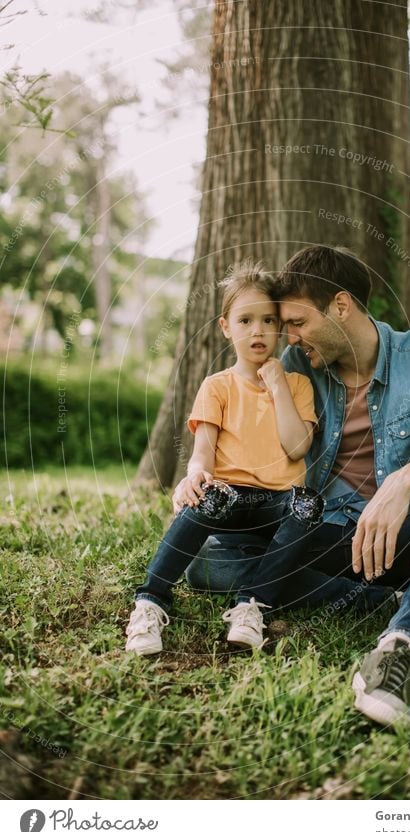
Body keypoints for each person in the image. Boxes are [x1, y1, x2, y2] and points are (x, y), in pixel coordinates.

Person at [186, 245, 410, 725]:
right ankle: (401, 596)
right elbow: (238, 414)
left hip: (400, 536)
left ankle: (402, 642)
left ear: (341, 306)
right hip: (325, 535)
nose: (287, 338)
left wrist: (402, 483)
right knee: (207, 561)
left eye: (296, 322)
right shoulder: (294, 368)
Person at [125, 259, 394, 658]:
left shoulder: (298, 383)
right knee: (207, 497)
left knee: (307, 503)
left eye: (269, 321)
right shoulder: (216, 387)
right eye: (246, 320)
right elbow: (202, 455)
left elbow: (297, 447)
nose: (258, 331)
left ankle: (251, 605)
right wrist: (194, 477)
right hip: (229, 501)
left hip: (278, 505)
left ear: (280, 328)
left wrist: (277, 386)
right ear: (225, 326)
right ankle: (150, 602)